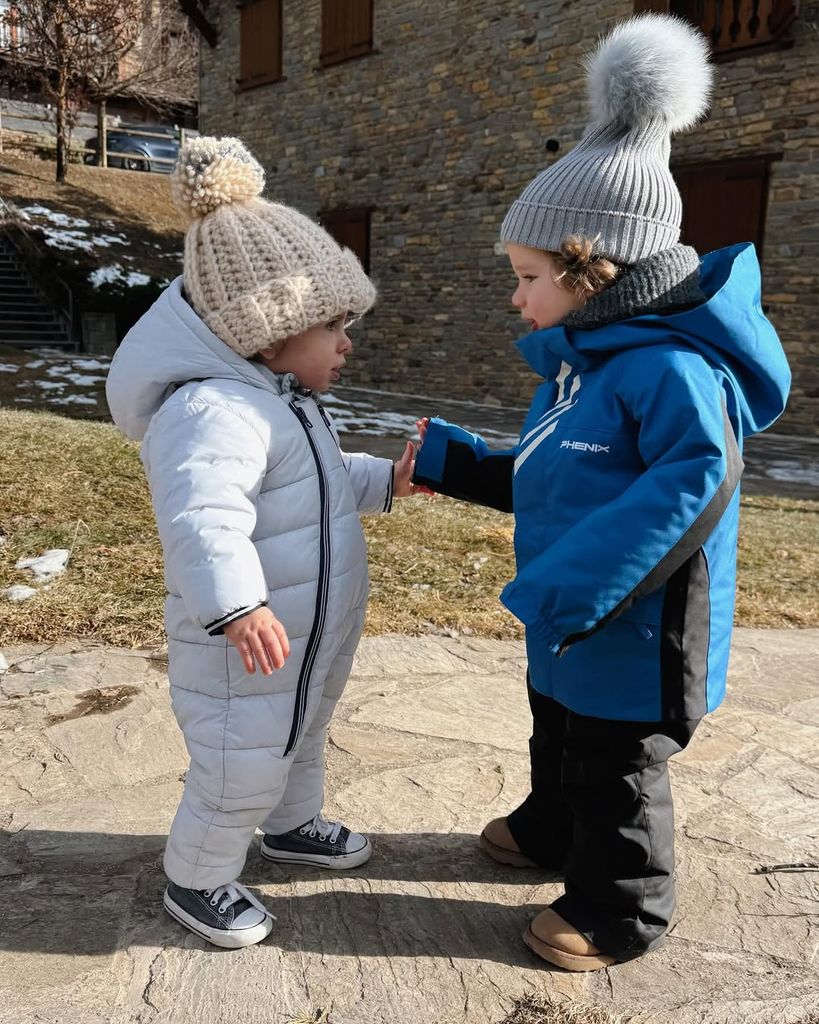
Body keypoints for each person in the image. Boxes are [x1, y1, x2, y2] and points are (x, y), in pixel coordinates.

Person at [412, 14, 791, 971]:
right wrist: (460, 466)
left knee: (615, 768)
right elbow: (559, 476)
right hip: (573, 623)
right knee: (557, 733)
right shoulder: (579, 371)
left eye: (529, 276)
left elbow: (692, 481)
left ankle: (618, 909)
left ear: (594, 271)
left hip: (637, 629)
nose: (516, 297)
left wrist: (575, 585)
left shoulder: (669, 370)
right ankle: (548, 830)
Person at [106, 136, 416, 949]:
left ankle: (292, 825)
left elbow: (314, 481)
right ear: (269, 331)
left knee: (300, 735)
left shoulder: (281, 399)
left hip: (301, 641)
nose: (347, 342)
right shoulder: (212, 411)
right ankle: (198, 876)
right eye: (333, 326)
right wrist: (237, 606)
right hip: (247, 645)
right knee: (238, 763)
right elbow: (202, 516)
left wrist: (386, 480)